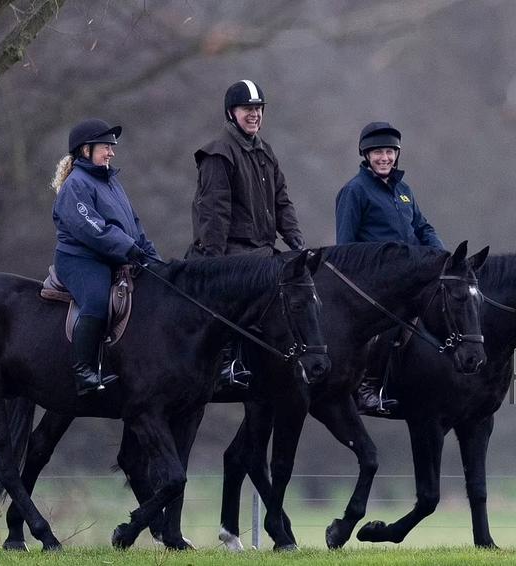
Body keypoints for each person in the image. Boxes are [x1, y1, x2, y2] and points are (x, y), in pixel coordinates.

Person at [186, 79, 306, 388]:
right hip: (230, 251)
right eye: (247, 109)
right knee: (246, 294)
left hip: (262, 249)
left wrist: (297, 243)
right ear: (231, 113)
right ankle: (227, 361)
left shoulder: (265, 151)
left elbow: (282, 201)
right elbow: (215, 213)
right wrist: (215, 261)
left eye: (258, 109)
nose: (254, 115)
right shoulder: (218, 154)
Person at [335, 121, 445, 414]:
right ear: (366, 155)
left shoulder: (404, 190)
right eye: (378, 152)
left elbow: (422, 226)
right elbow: (345, 247)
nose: (385, 158)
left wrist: (443, 256)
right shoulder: (354, 191)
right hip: (375, 285)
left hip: (410, 278)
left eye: (390, 152)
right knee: (394, 317)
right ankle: (368, 387)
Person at [51, 118, 160, 395]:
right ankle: (83, 371)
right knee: (97, 300)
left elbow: (133, 223)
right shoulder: (76, 185)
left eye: (112, 147)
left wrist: (151, 255)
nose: (111, 152)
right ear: (85, 150)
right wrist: (128, 248)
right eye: (105, 147)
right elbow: (94, 229)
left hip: (113, 255)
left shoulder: (111, 182)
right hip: (80, 260)